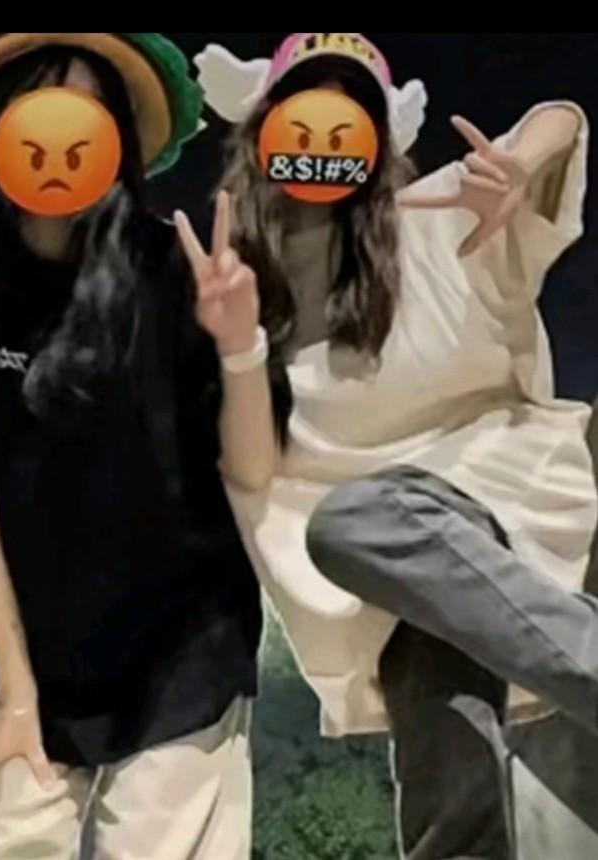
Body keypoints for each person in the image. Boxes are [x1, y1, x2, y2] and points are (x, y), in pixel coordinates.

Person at [0, 32, 285, 860]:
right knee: (6, 833)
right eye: (39, 100)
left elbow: (253, 469)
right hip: (28, 655)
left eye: (90, 108)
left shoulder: (177, 270)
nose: (63, 130)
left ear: (117, 139)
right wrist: (15, 696)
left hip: (184, 654)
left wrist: (240, 345)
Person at [189, 31, 598, 859]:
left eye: (351, 113)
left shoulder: (442, 213)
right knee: (372, 549)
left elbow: (561, 117)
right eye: (304, 109)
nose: (324, 137)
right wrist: (237, 346)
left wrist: (520, 165)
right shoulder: (242, 284)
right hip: (397, 565)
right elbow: (254, 471)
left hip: (527, 508)